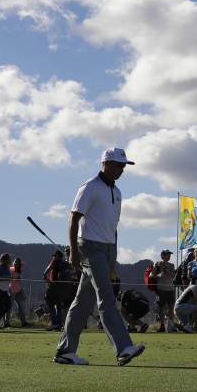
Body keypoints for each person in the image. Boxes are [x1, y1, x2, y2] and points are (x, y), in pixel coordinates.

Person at [53, 147, 145, 366]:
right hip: (90, 248)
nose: (122, 169)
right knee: (106, 296)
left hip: (108, 249)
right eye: (118, 164)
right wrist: (74, 250)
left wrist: (113, 251)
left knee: (83, 302)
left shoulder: (118, 192)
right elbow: (73, 219)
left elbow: (113, 225)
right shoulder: (90, 187)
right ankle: (123, 348)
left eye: (124, 165)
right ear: (105, 163)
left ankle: (65, 351)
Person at [150, 249, 177, 333]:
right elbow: (151, 275)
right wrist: (158, 276)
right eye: (167, 255)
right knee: (161, 308)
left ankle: (171, 325)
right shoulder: (156, 264)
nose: (168, 256)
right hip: (161, 289)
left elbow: (173, 274)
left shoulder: (171, 265)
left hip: (170, 289)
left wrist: (164, 268)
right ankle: (162, 326)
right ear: (162, 256)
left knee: (171, 307)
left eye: (169, 255)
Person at [43, 249, 70, 331]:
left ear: (58, 256)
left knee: (50, 303)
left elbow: (49, 268)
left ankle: (54, 323)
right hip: (62, 286)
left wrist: (44, 275)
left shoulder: (54, 261)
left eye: (55, 255)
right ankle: (59, 324)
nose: (53, 256)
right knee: (59, 306)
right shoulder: (64, 263)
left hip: (54, 285)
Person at [9, 257, 31, 328]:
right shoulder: (11, 270)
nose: (16, 263)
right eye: (15, 262)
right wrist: (16, 277)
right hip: (12, 290)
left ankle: (23, 322)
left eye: (17, 263)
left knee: (21, 307)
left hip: (18, 290)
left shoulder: (19, 270)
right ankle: (7, 322)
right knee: (10, 307)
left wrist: (18, 264)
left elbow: (25, 263)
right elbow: (10, 280)